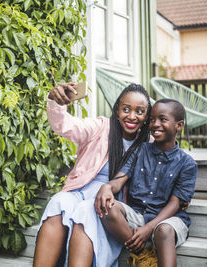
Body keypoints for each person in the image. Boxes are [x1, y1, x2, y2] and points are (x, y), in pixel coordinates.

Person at [33, 82, 152, 267]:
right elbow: (66, 126)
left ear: (146, 116)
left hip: (112, 201)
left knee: (88, 210)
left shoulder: (147, 143)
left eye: (139, 111)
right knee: (58, 201)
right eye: (126, 109)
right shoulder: (100, 127)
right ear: (117, 109)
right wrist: (55, 102)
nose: (131, 116)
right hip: (79, 191)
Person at [92, 99, 197, 267]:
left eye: (162, 119)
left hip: (168, 219)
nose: (155, 124)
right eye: (152, 119)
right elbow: (119, 180)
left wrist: (149, 228)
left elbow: (175, 204)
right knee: (106, 207)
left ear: (179, 126)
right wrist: (107, 187)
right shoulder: (139, 150)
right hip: (137, 215)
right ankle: (144, 256)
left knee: (163, 231)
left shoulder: (187, 164)